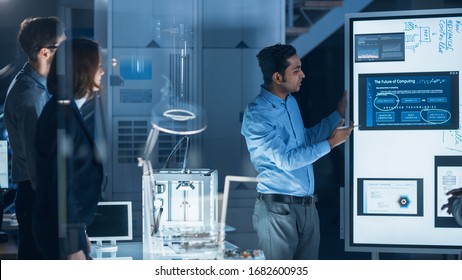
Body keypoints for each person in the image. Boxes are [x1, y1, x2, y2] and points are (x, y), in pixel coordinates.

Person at [241, 44, 354, 260]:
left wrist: (336, 116)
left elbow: (305, 141)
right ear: (277, 77)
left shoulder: (289, 102)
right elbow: (286, 160)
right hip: (278, 211)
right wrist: (330, 143)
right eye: (296, 70)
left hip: (307, 208)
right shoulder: (258, 114)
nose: (303, 74)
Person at [32, 38, 105, 260]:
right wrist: (74, 245)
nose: (102, 71)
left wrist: (80, 231)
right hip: (59, 234)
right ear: (84, 69)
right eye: (98, 65)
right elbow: (61, 183)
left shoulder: (66, 109)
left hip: (66, 230)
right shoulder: (61, 115)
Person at [3, 16, 66, 259]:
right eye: (63, 47)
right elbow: (40, 165)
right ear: (45, 53)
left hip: (38, 194)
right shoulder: (30, 98)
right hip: (37, 196)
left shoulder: (39, 87)